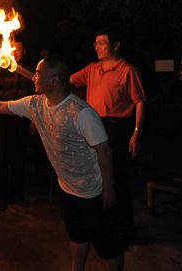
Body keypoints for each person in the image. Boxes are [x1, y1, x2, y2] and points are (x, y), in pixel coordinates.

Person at [0, 55, 124, 271]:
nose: (33, 76)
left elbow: (104, 150)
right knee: (77, 234)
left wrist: (108, 189)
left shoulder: (81, 113)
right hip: (68, 187)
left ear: (54, 80)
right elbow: (0, 106)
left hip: (94, 190)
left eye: (39, 73)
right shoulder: (35, 104)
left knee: (107, 246)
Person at [70, 27, 146, 242]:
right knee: (96, 179)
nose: (97, 47)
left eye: (102, 43)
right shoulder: (92, 69)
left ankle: (125, 229)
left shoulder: (127, 70)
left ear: (115, 46)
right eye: (96, 43)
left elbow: (140, 102)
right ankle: (104, 225)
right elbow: (69, 81)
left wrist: (136, 134)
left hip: (118, 129)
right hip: (94, 127)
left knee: (117, 179)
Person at [0, 39, 33, 210]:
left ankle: (16, 194)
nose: (15, 52)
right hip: (1, 119)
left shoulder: (29, 72)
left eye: (18, 49)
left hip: (20, 119)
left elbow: (35, 96)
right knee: (0, 158)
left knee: (19, 158)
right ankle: (1, 196)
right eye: (12, 48)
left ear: (24, 52)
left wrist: (33, 120)